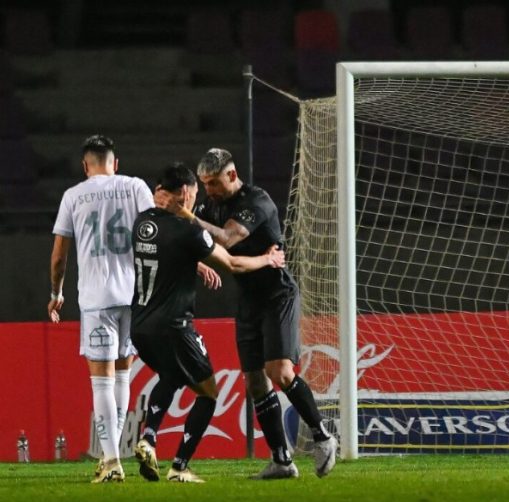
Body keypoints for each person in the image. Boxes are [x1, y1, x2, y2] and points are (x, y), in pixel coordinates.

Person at [155, 148, 337, 479]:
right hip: (249, 298)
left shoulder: (257, 201)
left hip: (277, 294)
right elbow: (202, 240)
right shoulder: (213, 204)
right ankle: (282, 460)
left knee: (279, 372)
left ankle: (323, 436)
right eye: (205, 184)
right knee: (255, 383)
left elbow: (225, 237)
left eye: (213, 183)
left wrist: (185, 215)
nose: (208, 190)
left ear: (233, 176)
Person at [131, 162, 286, 483]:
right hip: (174, 326)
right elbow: (232, 263)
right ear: (186, 193)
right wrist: (268, 259)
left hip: (141, 326)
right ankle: (180, 466)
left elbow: (168, 253)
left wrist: (197, 266)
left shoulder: (142, 222)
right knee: (208, 392)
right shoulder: (188, 231)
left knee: (172, 376)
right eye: (196, 192)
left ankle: (148, 438)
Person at [48, 135, 155, 483]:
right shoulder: (136, 186)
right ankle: (115, 455)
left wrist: (56, 292)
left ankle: (111, 461)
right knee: (123, 375)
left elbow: (60, 255)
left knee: (101, 380)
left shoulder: (73, 196)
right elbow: (156, 234)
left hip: (96, 298)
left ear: (85, 166)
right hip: (133, 295)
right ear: (115, 163)